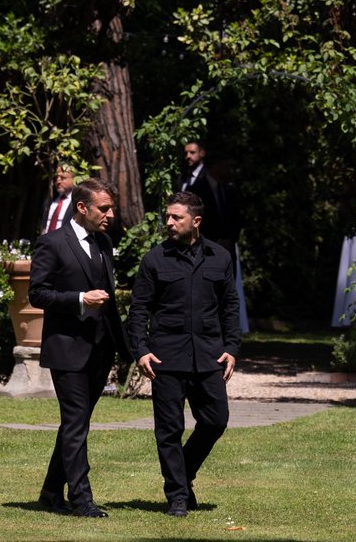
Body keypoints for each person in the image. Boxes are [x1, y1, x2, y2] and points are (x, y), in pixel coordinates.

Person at [128, 191, 241, 517]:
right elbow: (139, 310)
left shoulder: (220, 257)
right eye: (168, 216)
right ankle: (177, 495)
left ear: (196, 220)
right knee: (169, 430)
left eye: (176, 217)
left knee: (215, 420)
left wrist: (231, 348)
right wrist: (141, 350)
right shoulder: (154, 259)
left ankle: (184, 472)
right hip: (166, 358)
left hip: (209, 356)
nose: (169, 222)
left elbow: (230, 307)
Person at [29, 178, 131, 517]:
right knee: (76, 423)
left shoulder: (104, 242)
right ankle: (81, 499)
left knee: (76, 423)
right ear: (82, 208)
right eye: (104, 208)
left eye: (111, 208)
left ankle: (49, 492)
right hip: (67, 349)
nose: (111, 215)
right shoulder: (52, 243)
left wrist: (126, 346)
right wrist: (80, 299)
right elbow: (37, 294)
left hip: (100, 349)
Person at [178, 142, 239, 255]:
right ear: (216, 167)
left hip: (227, 249)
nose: (229, 170)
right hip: (205, 248)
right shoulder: (196, 189)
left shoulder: (227, 189)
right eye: (226, 166)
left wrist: (231, 239)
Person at [42, 163, 75, 232]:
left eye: (63, 178)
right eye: (56, 178)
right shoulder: (51, 200)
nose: (58, 181)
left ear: (74, 179)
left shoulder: (77, 202)